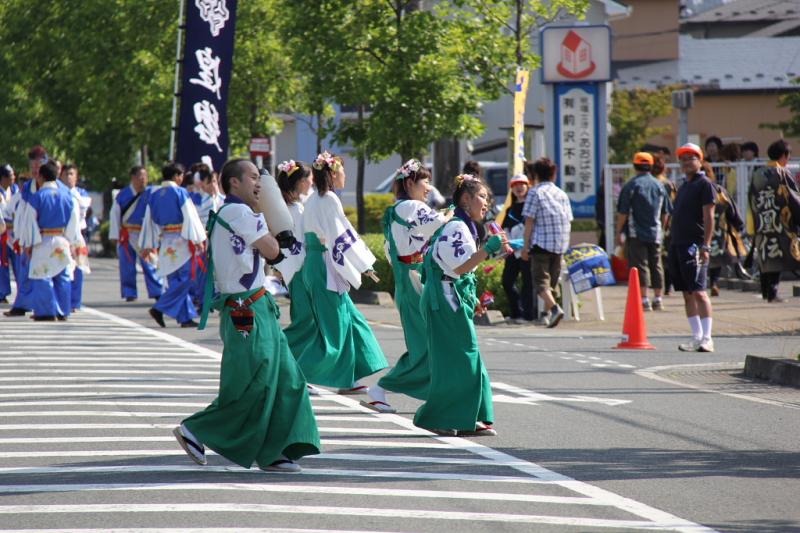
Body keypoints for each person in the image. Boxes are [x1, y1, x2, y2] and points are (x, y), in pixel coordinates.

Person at [175, 158, 320, 473]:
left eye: (260, 177)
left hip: (255, 304)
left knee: (287, 379)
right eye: (253, 177)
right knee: (253, 382)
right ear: (233, 183)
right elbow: (271, 250)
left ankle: (275, 450)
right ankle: (197, 429)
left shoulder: (232, 213)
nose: (259, 183)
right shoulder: (239, 212)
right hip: (246, 309)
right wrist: (279, 237)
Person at [293, 151, 389, 402]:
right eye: (343, 171)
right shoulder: (329, 200)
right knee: (335, 329)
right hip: (325, 265)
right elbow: (342, 236)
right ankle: (295, 376)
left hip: (318, 263)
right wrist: (363, 263)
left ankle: (349, 378)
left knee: (352, 322)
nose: (346, 175)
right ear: (333, 173)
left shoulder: (314, 199)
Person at [414, 173, 501, 437]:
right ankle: (442, 416)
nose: (486, 204)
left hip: (448, 296)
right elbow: (459, 267)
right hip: (444, 298)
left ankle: (469, 416)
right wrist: (488, 250)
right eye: (482, 197)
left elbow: (458, 271)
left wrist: (472, 299)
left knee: (462, 358)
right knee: (459, 358)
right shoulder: (456, 227)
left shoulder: (462, 226)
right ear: (465, 198)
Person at [374, 159, 452, 412]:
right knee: (427, 343)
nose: (429, 187)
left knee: (424, 342)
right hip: (414, 279)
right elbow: (437, 224)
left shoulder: (397, 209)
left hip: (407, 279)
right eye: (425, 181)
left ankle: (434, 394)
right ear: (410, 183)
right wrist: (452, 214)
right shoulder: (411, 206)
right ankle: (382, 387)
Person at [140, 162, 206, 328]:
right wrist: (198, 238)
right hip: (182, 241)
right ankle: (159, 307)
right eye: (181, 175)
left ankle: (185, 318)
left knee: (175, 279)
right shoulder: (180, 192)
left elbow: (148, 221)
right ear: (177, 176)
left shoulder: (153, 194)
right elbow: (190, 216)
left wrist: (148, 243)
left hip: (165, 241)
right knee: (187, 278)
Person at [19, 161, 83, 321]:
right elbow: (73, 220)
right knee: (62, 274)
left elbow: (30, 221)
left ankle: (46, 311)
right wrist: (71, 240)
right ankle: (63, 310)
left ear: (41, 177)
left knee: (42, 275)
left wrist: (29, 243)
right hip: (62, 239)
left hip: (43, 240)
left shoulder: (38, 197)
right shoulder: (67, 196)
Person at [274, 159, 318, 394]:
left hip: (297, 269)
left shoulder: (290, 206)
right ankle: (279, 359)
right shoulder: (294, 209)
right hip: (299, 270)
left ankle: (294, 372)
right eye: (309, 178)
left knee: (305, 322)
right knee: (304, 323)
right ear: (299, 181)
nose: (312, 181)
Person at [668, 143, 716, 352]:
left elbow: (709, 216)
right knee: (687, 292)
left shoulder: (704, 184)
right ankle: (696, 336)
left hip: (694, 245)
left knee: (699, 291)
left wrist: (705, 245)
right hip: (678, 243)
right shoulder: (684, 186)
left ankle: (707, 337)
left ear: (700, 160)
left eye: (691, 158)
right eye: (683, 159)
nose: (687, 162)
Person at [521, 158, 573, 328]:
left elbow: (529, 221)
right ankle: (546, 314)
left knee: (541, 282)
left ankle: (555, 309)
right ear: (554, 174)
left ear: (535, 174)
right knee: (552, 281)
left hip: (541, 243)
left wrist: (525, 246)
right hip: (560, 243)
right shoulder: (562, 194)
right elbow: (569, 219)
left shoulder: (535, 192)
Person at [616, 152, 670, 311]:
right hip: (656, 232)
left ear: (635, 166)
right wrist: (662, 228)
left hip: (636, 233)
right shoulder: (660, 185)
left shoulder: (631, 186)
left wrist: (619, 232)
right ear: (651, 166)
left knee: (639, 266)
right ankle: (658, 298)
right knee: (656, 265)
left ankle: (644, 300)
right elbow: (666, 212)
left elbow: (623, 213)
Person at [747, 139, 800, 303]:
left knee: (765, 257)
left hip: (761, 224)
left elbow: (751, 200)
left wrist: (751, 226)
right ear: (784, 156)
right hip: (780, 224)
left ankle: (766, 292)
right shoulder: (782, 174)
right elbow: (794, 199)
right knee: (778, 257)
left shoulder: (757, 174)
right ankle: (772, 293)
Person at [108, 166, 164, 302]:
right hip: (127, 234)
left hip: (145, 234)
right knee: (127, 265)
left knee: (150, 262)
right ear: (133, 178)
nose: (143, 179)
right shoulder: (123, 195)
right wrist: (115, 236)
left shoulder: (151, 193)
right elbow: (115, 215)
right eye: (140, 176)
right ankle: (129, 292)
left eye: (145, 176)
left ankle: (157, 290)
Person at [4, 145, 48, 317]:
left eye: (39, 166)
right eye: (33, 166)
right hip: (29, 237)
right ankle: (23, 304)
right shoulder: (27, 187)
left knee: (47, 274)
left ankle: (51, 307)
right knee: (25, 272)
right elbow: (11, 209)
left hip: (47, 236)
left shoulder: (53, 187)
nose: (36, 170)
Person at [187, 163, 224, 310]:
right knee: (202, 272)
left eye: (216, 182)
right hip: (201, 241)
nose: (214, 185)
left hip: (218, 240)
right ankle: (202, 300)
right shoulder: (194, 198)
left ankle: (210, 299)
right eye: (211, 182)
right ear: (202, 183)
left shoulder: (221, 199)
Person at [501, 173, 534, 322]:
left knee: (528, 283)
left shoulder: (532, 206)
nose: (519, 187)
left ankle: (528, 315)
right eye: (515, 185)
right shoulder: (510, 209)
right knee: (507, 281)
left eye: (522, 184)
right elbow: (504, 230)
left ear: (528, 186)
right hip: (513, 252)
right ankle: (516, 312)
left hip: (527, 250)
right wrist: (507, 244)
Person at [60, 164, 91, 311]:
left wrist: (71, 193)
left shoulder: (81, 193)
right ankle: (63, 300)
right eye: (66, 174)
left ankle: (75, 302)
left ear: (76, 177)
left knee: (79, 268)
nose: (68, 177)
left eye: (71, 174)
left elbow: (84, 207)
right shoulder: (57, 191)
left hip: (78, 236)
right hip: (61, 235)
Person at [0, 165, 17, 303]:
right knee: (2, 263)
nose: (13, 178)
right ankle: (2, 293)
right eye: (11, 176)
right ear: (3, 178)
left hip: (15, 234)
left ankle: (23, 292)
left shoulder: (15, 190)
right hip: (2, 233)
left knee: (18, 263)